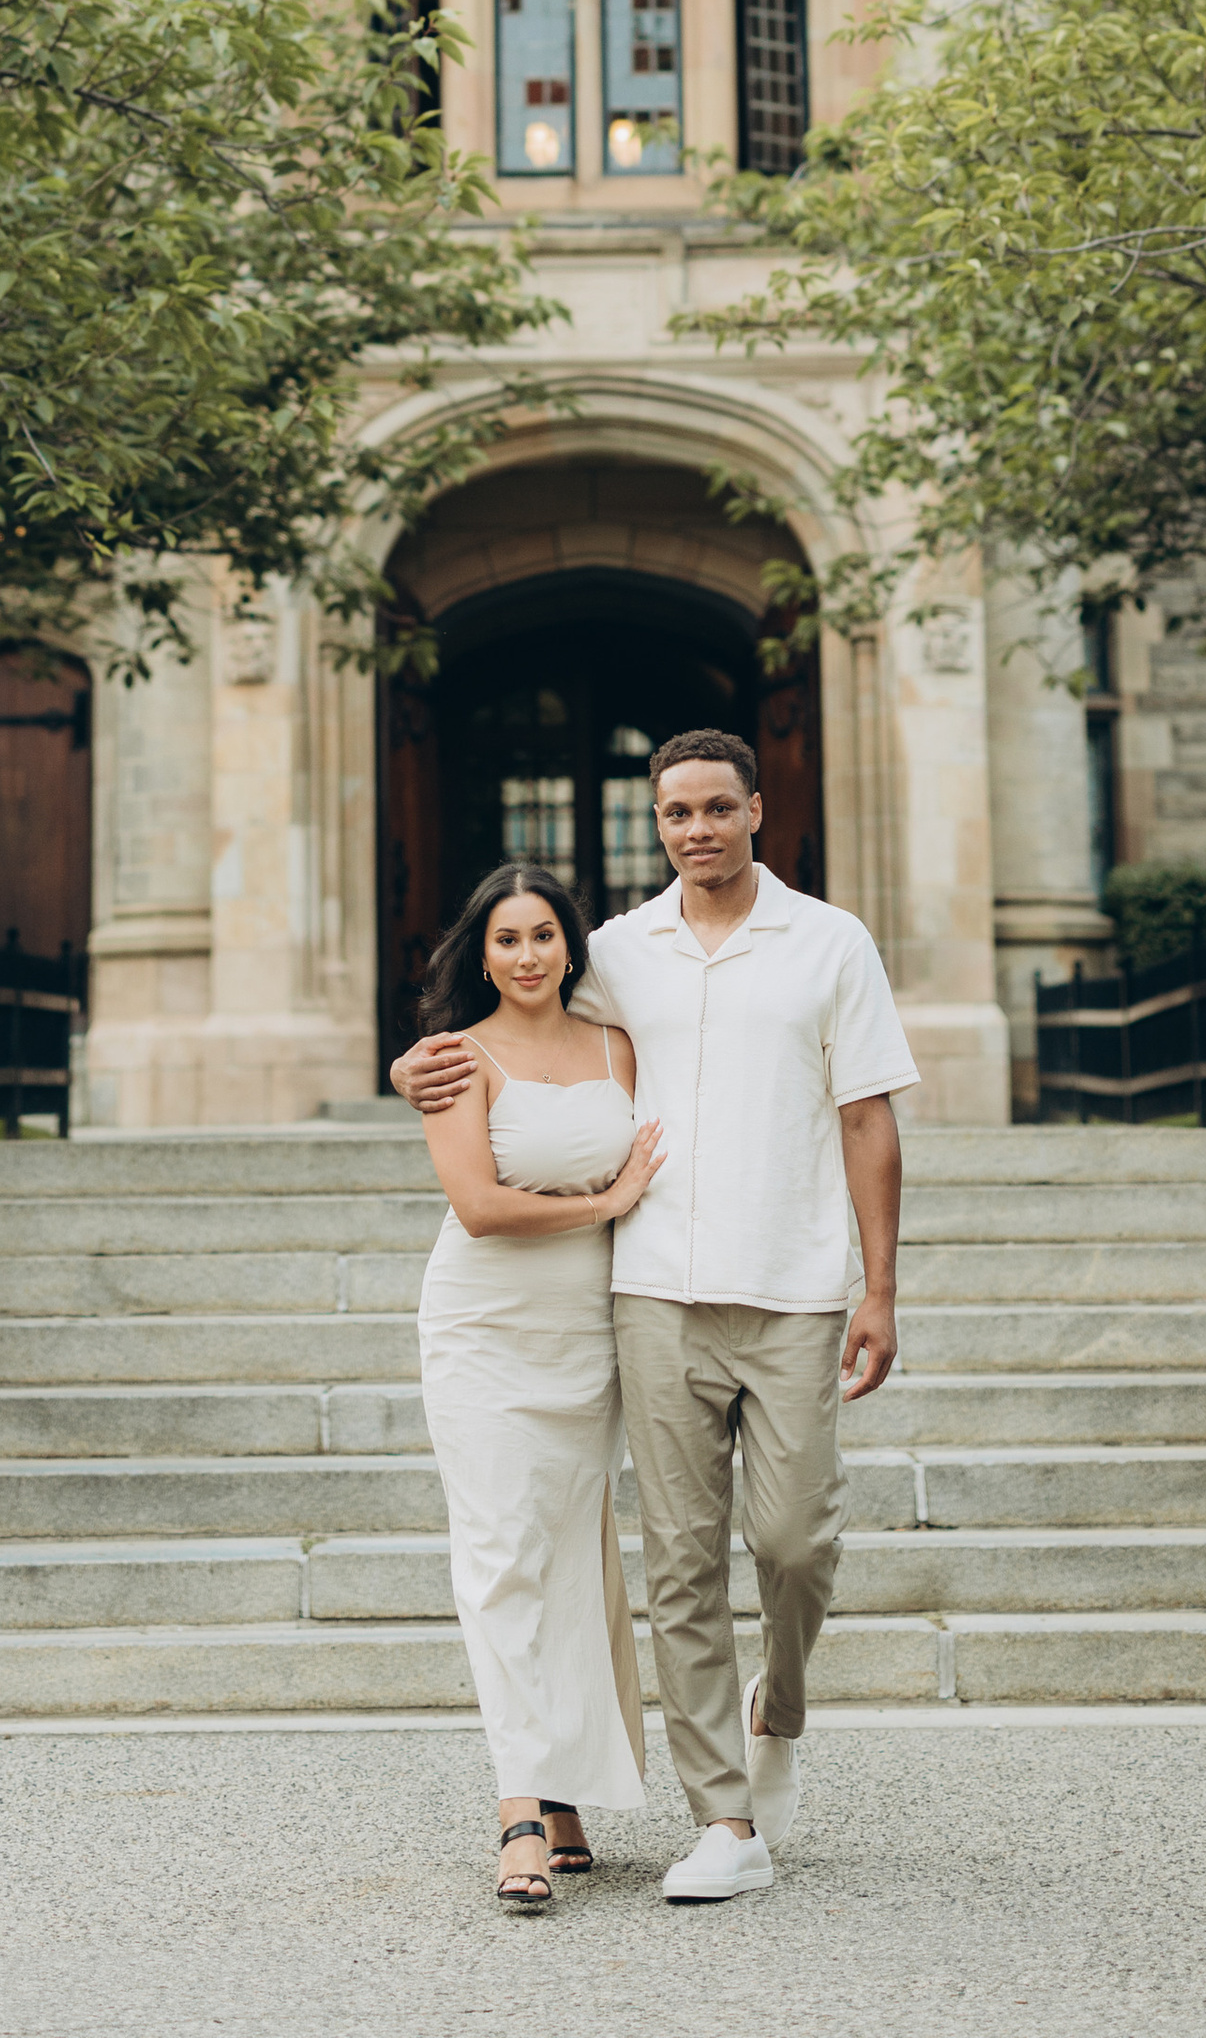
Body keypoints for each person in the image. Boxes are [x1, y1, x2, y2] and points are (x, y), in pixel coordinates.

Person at [395, 728, 914, 1904]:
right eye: (675, 812)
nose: (696, 830)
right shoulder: (619, 950)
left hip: (788, 1283)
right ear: (658, 822)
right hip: (645, 1293)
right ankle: (720, 1819)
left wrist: (878, 1287)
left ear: (755, 812)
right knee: (676, 1564)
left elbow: (869, 1119)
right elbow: (500, 1014)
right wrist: (406, 1073)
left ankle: (777, 1701)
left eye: (715, 809)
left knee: (792, 1544)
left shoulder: (831, 942)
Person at [412, 859, 668, 1913]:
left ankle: (567, 1792)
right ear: (481, 953)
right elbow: (478, 1206)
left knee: (574, 1554)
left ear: (573, 946)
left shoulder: (620, 1044)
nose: (526, 956)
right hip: (481, 1325)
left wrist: (617, 1208)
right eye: (506, 940)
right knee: (500, 1556)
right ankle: (519, 1805)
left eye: (543, 937)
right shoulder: (452, 1060)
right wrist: (607, 1202)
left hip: (588, 1333)